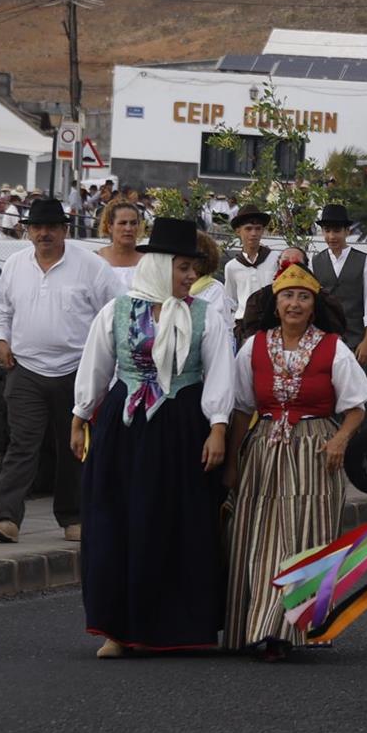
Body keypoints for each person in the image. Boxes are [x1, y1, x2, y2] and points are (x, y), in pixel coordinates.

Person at [70, 217, 236, 656]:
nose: (189, 276)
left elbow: (221, 372)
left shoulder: (205, 316)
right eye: (182, 267)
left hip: (182, 430)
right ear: (161, 266)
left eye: (192, 268)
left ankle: (178, 627)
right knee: (118, 522)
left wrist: (218, 427)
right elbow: (97, 365)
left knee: (177, 524)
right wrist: (80, 414)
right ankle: (118, 629)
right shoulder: (118, 310)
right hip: (125, 431)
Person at [223, 262, 367, 660]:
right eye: (287, 295)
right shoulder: (253, 347)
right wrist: (233, 463)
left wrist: (340, 439)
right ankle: (257, 626)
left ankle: (287, 629)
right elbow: (239, 409)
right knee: (257, 536)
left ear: (313, 305)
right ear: (275, 304)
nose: (294, 303)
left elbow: (356, 406)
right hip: (264, 448)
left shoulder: (332, 347)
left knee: (304, 536)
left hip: (314, 448)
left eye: (303, 297)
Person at [0, 197, 124, 545]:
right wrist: (0, 341)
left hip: (76, 369)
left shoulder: (91, 267)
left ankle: (73, 518)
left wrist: (107, 363)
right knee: (21, 444)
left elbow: (117, 312)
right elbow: (0, 310)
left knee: (73, 446)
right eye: (37, 227)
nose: (43, 233)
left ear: (64, 230)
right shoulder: (15, 264)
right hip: (25, 368)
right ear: (28, 231)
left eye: (51, 227)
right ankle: (7, 518)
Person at [311, 202, 367, 362]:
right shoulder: (314, 262)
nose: (331, 236)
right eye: (327, 231)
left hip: (355, 342)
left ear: (347, 231)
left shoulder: (366, 261)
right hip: (323, 340)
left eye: (336, 231)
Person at [222, 204, 279, 316]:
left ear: (262, 231)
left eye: (258, 229)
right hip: (244, 324)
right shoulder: (232, 267)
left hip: (271, 321)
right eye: (248, 229)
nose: (253, 233)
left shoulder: (275, 259)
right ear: (238, 231)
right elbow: (230, 301)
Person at [94, 198, 146, 280]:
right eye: (122, 223)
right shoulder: (96, 259)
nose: (128, 228)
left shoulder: (147, 261)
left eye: (133, 223)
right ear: (110, 227)